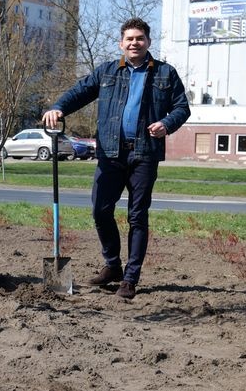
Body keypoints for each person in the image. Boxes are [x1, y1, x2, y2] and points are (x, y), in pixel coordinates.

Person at [42, 17, 190, 299]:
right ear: (121, 43)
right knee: (100, 209)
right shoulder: (108, 72)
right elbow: (81, 91)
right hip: (110, 152)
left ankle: (130, 278)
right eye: (129, 39)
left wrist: (167, 123)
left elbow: (182, 108)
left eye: (140, 38)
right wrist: (59, 108)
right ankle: (113, 265)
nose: (135, 43)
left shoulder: (165, 74)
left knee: (137, 216)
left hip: (144, 153)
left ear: (148, 42)